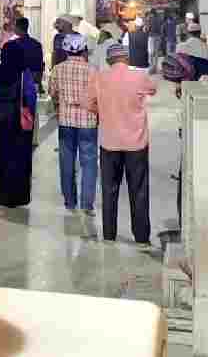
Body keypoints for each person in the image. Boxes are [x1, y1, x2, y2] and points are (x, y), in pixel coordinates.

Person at [86, 42, 157, 248]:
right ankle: (142, 236)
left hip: (109, 142)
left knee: (109, 190)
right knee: (139, 190)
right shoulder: (138, 77)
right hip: (136, 143)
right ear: (127, 58)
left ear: (109, 60)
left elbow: (88, 103)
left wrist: (104, 111)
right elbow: (152, 89)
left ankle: (109, 234)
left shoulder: (99, 78)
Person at [0, 16, 38, 207]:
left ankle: (4, 193)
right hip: (20, 121)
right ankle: (20, 195)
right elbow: (31, 97)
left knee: (4, 156)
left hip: (2, 120)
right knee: (21, 158)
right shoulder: (24, 73)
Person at [48, 32, 99, 214]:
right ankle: (87, 204)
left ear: (65, 50)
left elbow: (52, 93)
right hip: (89, 122)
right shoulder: (93, 70)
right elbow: (98, 97)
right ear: (84, 50)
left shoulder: (58, 69)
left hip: (66, 121)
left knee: (66, 161)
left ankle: (70, 201)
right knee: (89, 163)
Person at [2, 15, 45, 87]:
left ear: (17, 27)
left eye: (14, 26)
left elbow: (4, 64)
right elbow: (39, 66)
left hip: (14, 83)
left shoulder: (9, 45)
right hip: (32, 82)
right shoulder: (37, 44)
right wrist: (39, 84)